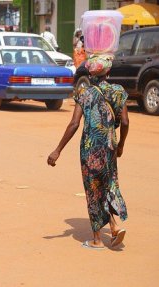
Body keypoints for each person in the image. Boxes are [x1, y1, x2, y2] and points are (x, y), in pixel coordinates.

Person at [47, 54, 129, 250]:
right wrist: (121, 145)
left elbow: (74, 124)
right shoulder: (118, 91)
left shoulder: (84, 93)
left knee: (93, 190)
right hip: (109, 147)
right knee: (109, 185)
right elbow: (125, 122)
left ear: (92, 74)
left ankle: (97, 239)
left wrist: (57, 150)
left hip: (89, 150)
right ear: (107, 72)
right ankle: (115, 227)